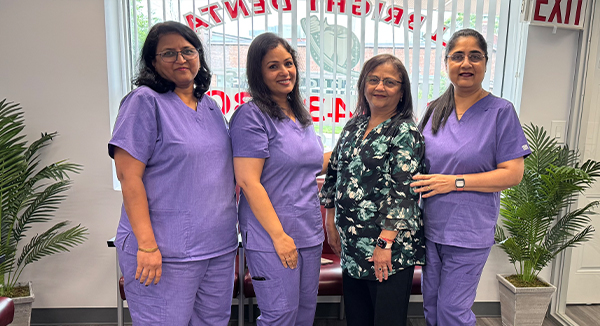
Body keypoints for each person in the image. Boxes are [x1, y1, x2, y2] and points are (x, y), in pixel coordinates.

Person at [108, 21, 238, 325]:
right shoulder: (143, 102)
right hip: (164, 251)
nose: (181, 59)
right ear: (153, 62)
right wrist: (148, 245)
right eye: (169, 53)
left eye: (187, 51)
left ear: (199, 56)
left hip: (217, 247)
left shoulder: (210, 106)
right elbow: (129, 178)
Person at [410, 28, 531, 326]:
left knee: (453, 311)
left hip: (468, 232)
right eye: (458, 56)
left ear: (486, 63)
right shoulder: (434, 110)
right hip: (432, 227)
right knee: (432, 308)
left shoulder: (501, 112)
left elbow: (513, 174)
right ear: (447, 63)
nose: (466, 63)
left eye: (474, 56)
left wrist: (454, 182)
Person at [229, 33, 330, 326]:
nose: (284, 72)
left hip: (308, 233)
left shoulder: (299, 114)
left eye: (288, 63)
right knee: (280, 314)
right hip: (271, 234)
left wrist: (354, 147)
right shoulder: (251, 117)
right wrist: (279, 236)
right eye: (273, 66)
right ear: (258, 73)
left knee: (304, 311)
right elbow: (248, 182)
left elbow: (309, 164)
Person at [319, 54, 426, 326]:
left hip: (389, 251)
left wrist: (384, 244)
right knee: (358, 319)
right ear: (363, 84)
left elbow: (405, 192)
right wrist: (330, 222)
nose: (380, 87)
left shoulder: (405, 132)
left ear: (402, 92)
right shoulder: (353, 126)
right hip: (352, 246)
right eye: (374, 80)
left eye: (390, 82)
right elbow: (334, 174)